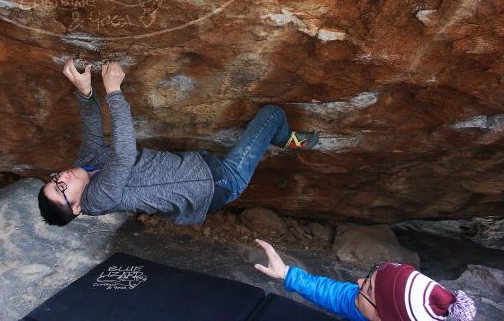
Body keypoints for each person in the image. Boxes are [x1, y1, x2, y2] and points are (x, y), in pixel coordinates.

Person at [37, 59, 319, 227]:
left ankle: (278, 137)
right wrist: (113, 91)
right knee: (271, 115)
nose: (62, 176)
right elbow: (124, 155)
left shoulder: (84, 169)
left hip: (202, 170)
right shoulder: (97, 198)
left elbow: (92, 134)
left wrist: (85, 93)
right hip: (220, 183)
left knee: (266, 122)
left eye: (54, 178)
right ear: (76, 208)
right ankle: (286, 139)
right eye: (61, 187)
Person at [253, 239, 477, 321]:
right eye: (370, 278)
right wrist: (287, 273)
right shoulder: (374, 310)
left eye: (368, 289)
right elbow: (339, 295)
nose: (359, 282)